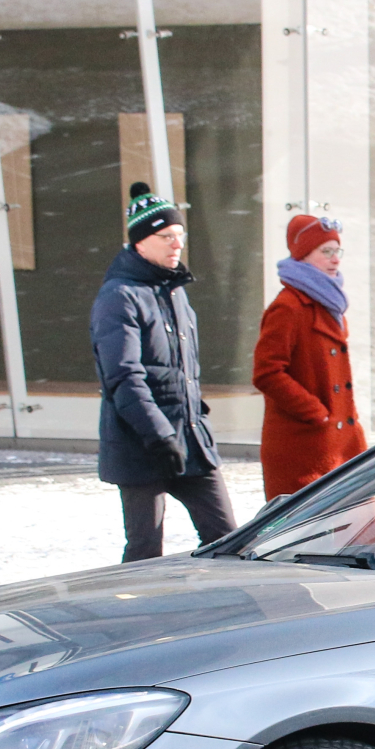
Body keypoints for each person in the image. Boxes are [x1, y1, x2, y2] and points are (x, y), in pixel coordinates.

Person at [92, 182, 235, 562]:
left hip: (190, 441)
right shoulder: (119, 296)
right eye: (166, 236)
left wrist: (195, 417)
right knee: (144, 552)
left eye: (180, 236)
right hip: (142, 446)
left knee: (228, 541)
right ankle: (135, 618)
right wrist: (158, 436)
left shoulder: (175, 292)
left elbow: (185, 370)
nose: (177, 245)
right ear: (140, 242)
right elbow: (123, 376)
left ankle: (227, 611)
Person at [254, 212, 367, 501]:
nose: (335, 259)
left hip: (339, 445)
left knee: (360, 538)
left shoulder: (328, 303)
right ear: (303, 255)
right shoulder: (289, 307)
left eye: (336, 251)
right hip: (305, 448)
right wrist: (316, 413)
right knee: (311, 539)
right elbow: (267, 372)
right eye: (325, 251)